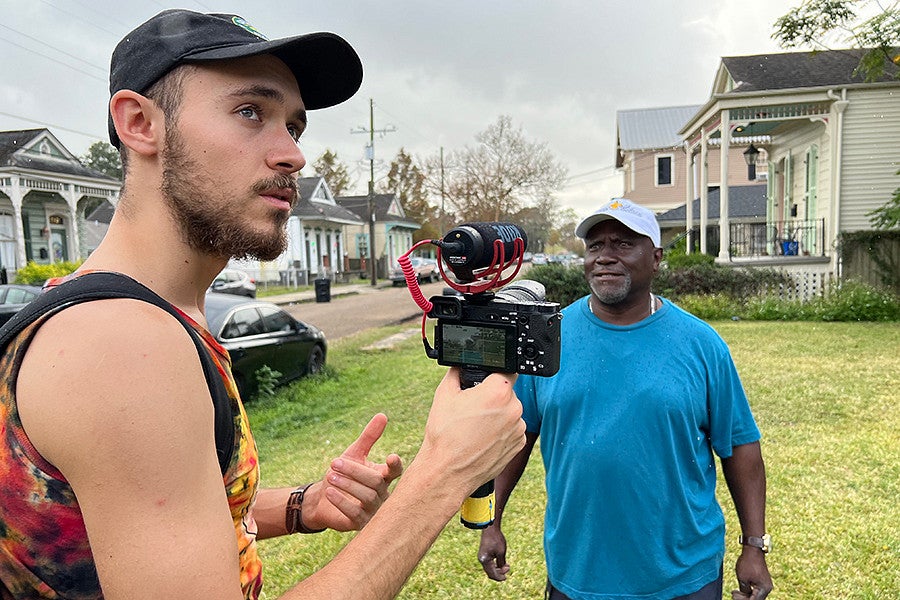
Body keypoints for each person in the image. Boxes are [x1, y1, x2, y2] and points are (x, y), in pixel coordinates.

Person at [0, 10, 525, 600]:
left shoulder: (144, 313)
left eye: (294, 128)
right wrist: (444, 474)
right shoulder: (122, 342)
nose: (293, 155)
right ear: (140, 124)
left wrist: (304, 507)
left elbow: (157, 518)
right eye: (251, 111)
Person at [477, 198, 774, 600]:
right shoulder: (551, 338)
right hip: (578, 571)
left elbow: (740, 448)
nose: (605, 257)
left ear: (655, 258)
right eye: (595, 246)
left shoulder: (702, 345)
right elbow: (518, 436)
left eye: (622, 244)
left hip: (684, 574)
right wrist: (492, 520)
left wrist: (754, 546)